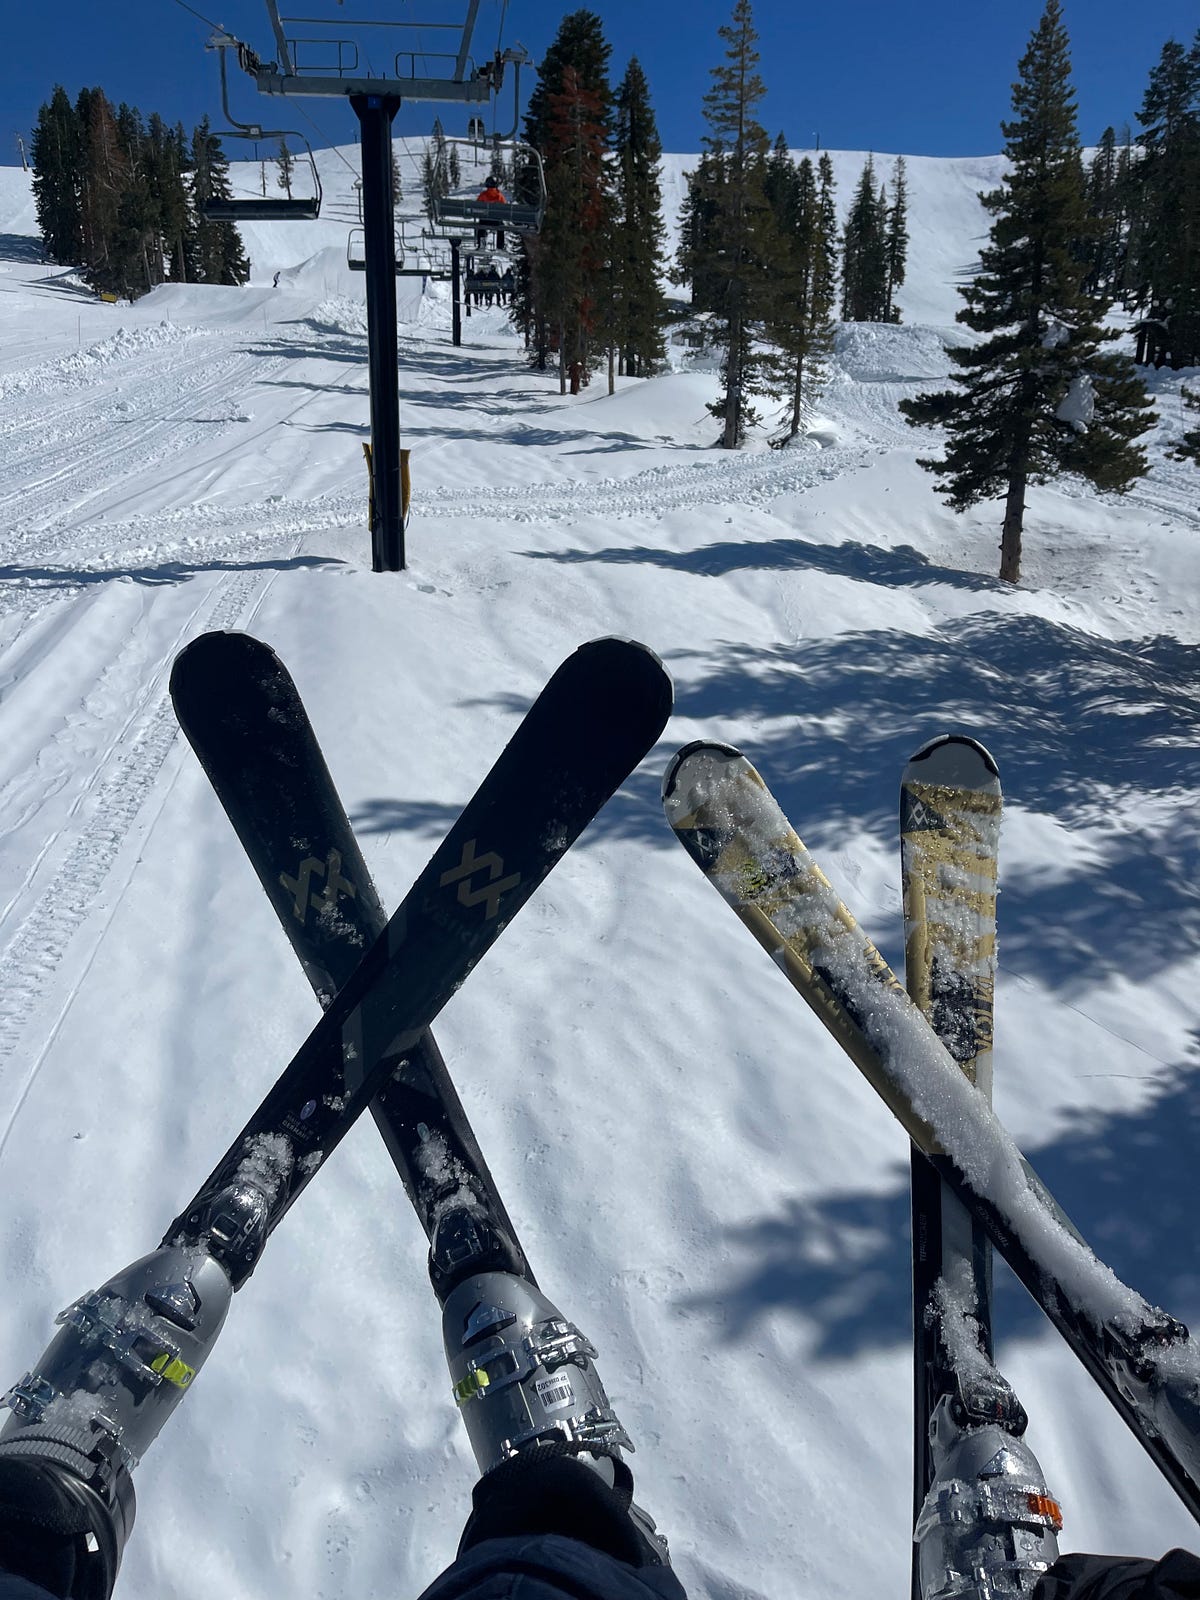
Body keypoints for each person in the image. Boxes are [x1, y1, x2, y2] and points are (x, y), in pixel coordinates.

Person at [475, 176, 507, 251]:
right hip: (496, 221)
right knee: (501, 228)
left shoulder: (483, 195)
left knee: (481, 227)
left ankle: (481, 245)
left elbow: (477, 206)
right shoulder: (500, 196)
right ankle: (500, 246)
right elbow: (505, 208)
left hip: (485, 220)